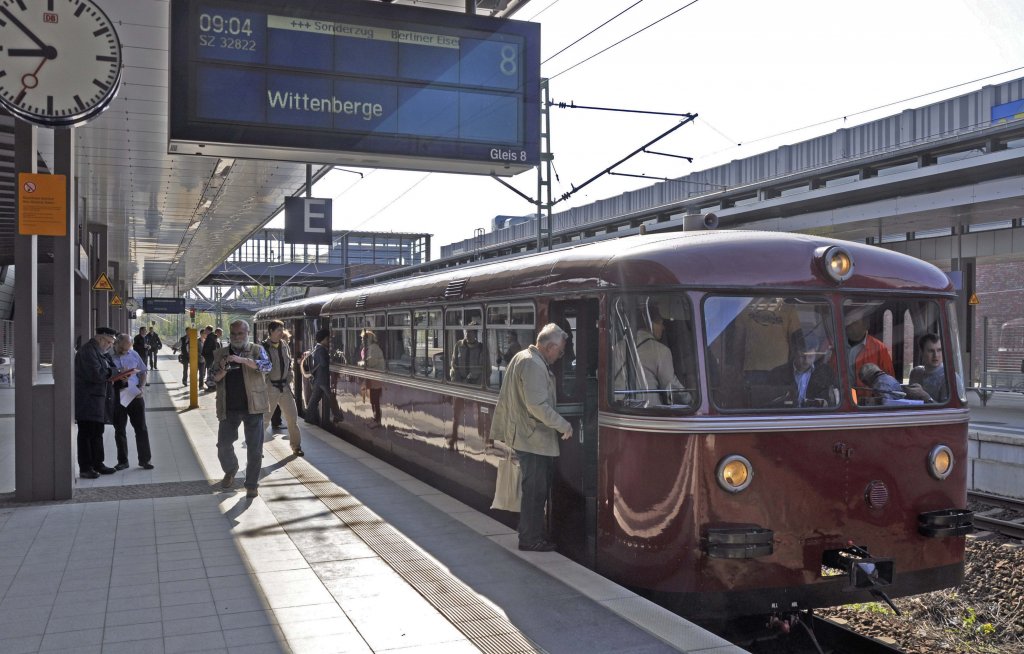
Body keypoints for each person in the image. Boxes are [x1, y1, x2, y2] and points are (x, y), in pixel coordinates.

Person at [491, 323, 573, 552]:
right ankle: (530, 538)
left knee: (535, 489)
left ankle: (532, 533)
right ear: (549, 347)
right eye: (560, 350)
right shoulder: (533, 364)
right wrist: (563, 425)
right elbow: (537, 405)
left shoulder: (523, 357)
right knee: (535, 490)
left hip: (530, 437)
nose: (561, 355)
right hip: (533, 439)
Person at [212, 320, 272, 499]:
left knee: (255, 448)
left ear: (247, 334)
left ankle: (252, 484)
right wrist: (223, 369)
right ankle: (231, 469)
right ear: (229, 335)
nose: (237, 337)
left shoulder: (256, 349)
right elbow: (211, 379)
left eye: (241, 334)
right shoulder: (221, 353)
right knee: (223, 445)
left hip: (253, 406)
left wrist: (243, 360)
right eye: (234, 334)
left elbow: (267, 366)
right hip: (228, 407)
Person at [74, 326, 120, 478]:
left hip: (98, 400)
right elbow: (97, 375)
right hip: (88, 400)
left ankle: (98, 463)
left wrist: (117, 373)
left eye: (112, 343)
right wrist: (114, 373)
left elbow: (112, 368)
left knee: (97, 432)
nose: (110, 346)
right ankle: (86, 467)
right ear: (100, 339)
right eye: (108, 342)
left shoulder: (101, 353)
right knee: (86, 433)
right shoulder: (88, 352)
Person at [110, 334, 153, 470]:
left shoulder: (134, 354)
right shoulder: (109, 357)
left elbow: (143, 372)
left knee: (141, 428)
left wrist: (141, 388)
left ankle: (145, 460)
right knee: (120, 429)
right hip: (118, 395)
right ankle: (123, 461)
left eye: (128, 348)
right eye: (123, 348)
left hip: (134, 395)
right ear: (117, 344)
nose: (126, 351)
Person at [262, 321, 303, 456]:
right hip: (271, 388)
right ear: (271, 331)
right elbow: (261, 370)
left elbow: (289, 363)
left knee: (292, 418)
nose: (281, 332)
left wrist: (289, 378)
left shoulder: (284, 345)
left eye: (282, 329)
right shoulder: (263, 347)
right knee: (265, 420)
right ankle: (257, 449)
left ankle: (296, 446)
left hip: (284, 388)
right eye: (279, 330)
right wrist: (268, 384)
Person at [634, 307, 688, 405]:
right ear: (650, 324)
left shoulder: (617, 348)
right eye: (660, 323)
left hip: (620, 406)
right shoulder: (661, 351)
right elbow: (671, 386)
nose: (663, 327)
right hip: (648, 411)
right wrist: (691, 400)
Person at [766, 334, 837, 408]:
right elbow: (771, 404)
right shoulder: (777, 374)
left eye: (810, 356)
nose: (806, 361)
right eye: (802, 356)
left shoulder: (826, 372)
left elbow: (832, 401)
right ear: (794, 353)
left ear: (815, 353)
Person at [305, 327, 344, 426]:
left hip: (318, 379)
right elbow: (323, 363)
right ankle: (337, 415)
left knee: (314, 399)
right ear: (323, 339)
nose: (328, 341)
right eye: (327, 339)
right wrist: (330, 358)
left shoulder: (317, 348)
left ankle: (309, 417)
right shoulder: (321, 350)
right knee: (331, 397)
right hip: (322, 379)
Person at [908, 333, 949, 403]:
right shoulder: (915, 372)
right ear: (921, 352)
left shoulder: (949, 378)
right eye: (931, 351)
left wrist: (925, 396)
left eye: (939, 350)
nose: (935, 355)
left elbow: (948, 411)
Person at [359, 330, 385, 428]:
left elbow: (371, 362)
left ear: (368, 339)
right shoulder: (371, 348)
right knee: (373, 399)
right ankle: (375, 418)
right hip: (373, 378)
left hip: (376, 378)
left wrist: (360, 363)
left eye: (363, 338)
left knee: (375, 399)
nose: (362, 340)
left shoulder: (374, 348)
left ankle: (377, 420)